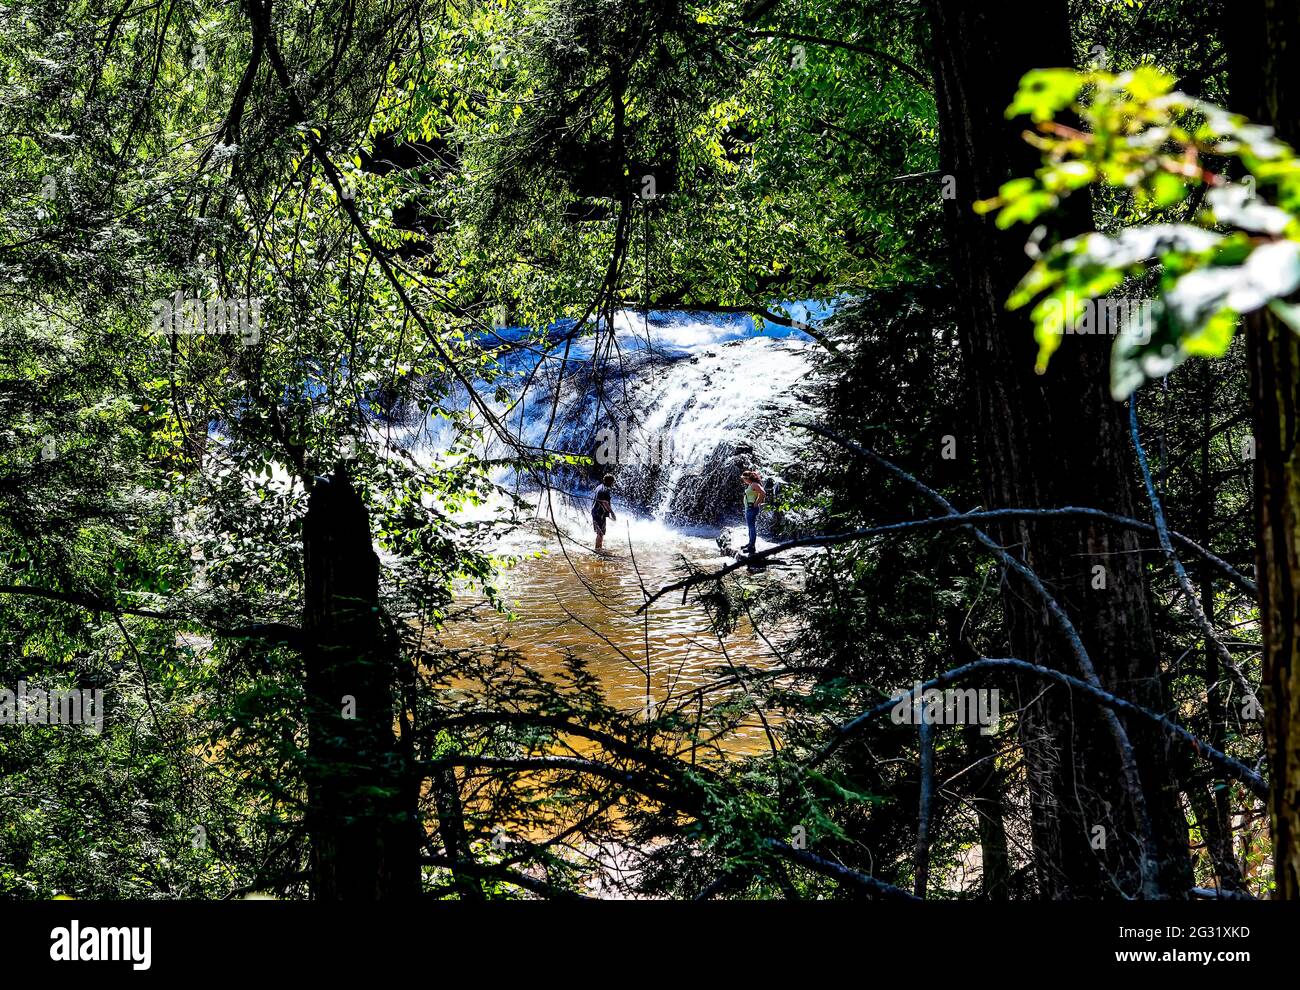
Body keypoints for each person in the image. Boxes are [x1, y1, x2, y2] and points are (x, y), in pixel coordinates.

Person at [740, 469, 765, 554]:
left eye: (744, 479)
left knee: (752, 527)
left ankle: (752, 547)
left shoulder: (754, 484)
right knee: (750, 527)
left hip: (751, 508)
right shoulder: (751, 484)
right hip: (749, 508)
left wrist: (756, 503)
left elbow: (762, 493)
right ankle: (750, 543)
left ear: (747, 478)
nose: (743, 480)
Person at [592, 473, 616, 551]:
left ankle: (598, 549)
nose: (612, 484)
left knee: (599, 532)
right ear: (609, 481)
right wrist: (612, 513)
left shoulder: (599, 487)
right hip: (599, 514)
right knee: (600, 533)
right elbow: (604, 503)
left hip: (595, 511)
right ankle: (598, 550)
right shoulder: (604, 490)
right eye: (612, 482)